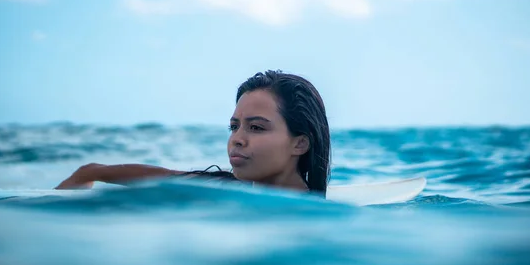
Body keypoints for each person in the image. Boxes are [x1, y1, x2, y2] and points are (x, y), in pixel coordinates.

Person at [55, 70, 331, 197]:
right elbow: (165, 177)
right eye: (234, 126)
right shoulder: (226, 189)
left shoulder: (315, 217)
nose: (237, 139)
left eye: (256, 127)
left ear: (300, 143)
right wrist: (91, 172)